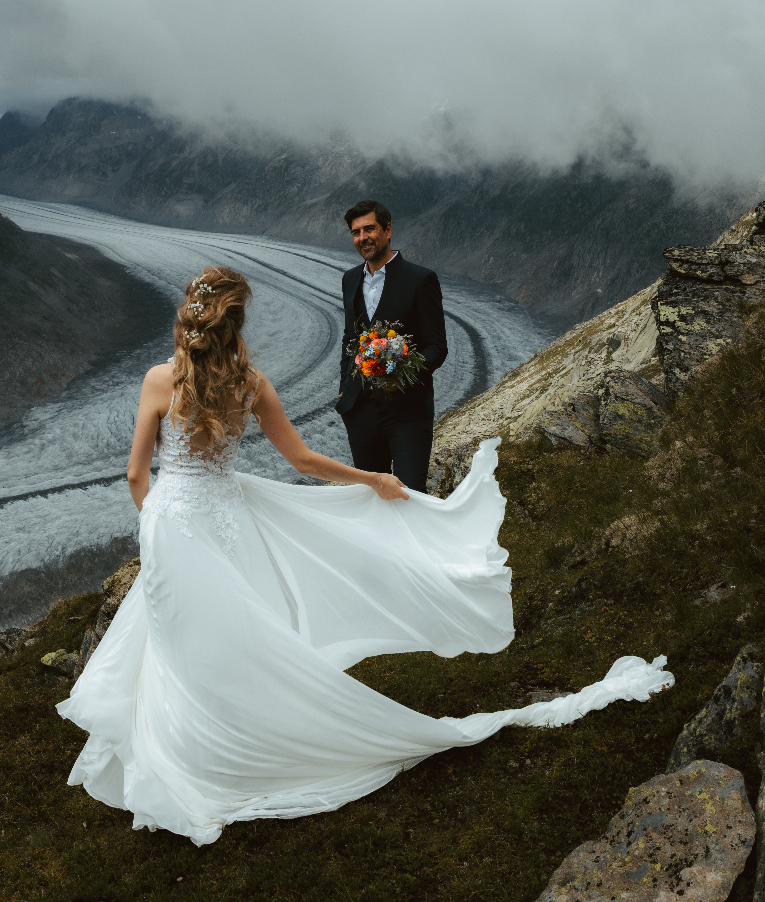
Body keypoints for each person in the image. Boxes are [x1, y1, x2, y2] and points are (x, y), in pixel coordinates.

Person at [56, 265, 673, 846]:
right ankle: (225, 740)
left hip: (174, 522)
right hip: (223, 519)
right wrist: (373, 479)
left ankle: (193, 750)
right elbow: (302, 461)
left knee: (183, 638)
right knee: (226, 629)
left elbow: (137, 475)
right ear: (236, 326)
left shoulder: (159, 381)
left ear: (188, 323)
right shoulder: (251, 386)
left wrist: (156, 526)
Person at [336, 199, 448, 493]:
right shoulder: (349, 280)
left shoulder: (420, 279)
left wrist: (401, 378)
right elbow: (350, 340)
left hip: (408, 413)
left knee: (410, 497)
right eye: (356, 232)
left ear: (387, 230)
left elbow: (436, 347)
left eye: (369, 229)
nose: (363, 238)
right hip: (360, 411)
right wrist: (344, 384)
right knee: (373, 497)